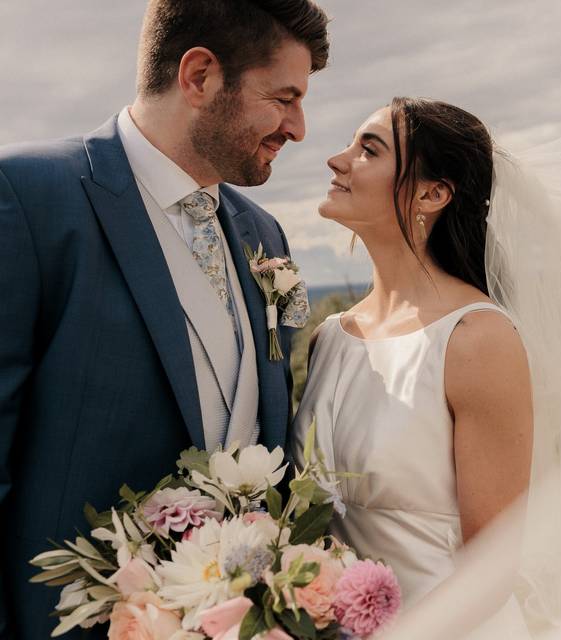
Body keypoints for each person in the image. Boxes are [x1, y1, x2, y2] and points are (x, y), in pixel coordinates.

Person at [0, 1, 328, 637]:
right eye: (284, 97)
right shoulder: (29, 196)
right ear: (200, 75)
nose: (300, 126)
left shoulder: (264, 234)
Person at [290, 97, 534, 634]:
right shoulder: (330, 338)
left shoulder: (476, 339)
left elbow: (492, 572)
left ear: (432, 193)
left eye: (368, 149)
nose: (337, 159)